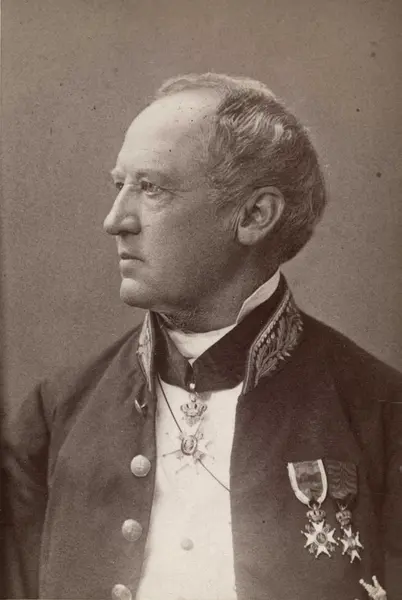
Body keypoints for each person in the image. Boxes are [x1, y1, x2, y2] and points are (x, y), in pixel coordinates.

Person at [2, 73, 400, 600]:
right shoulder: (55, 416)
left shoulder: (382, 415)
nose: (115, 220)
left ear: (254, 216)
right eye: (119, 185)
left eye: (151, 188)